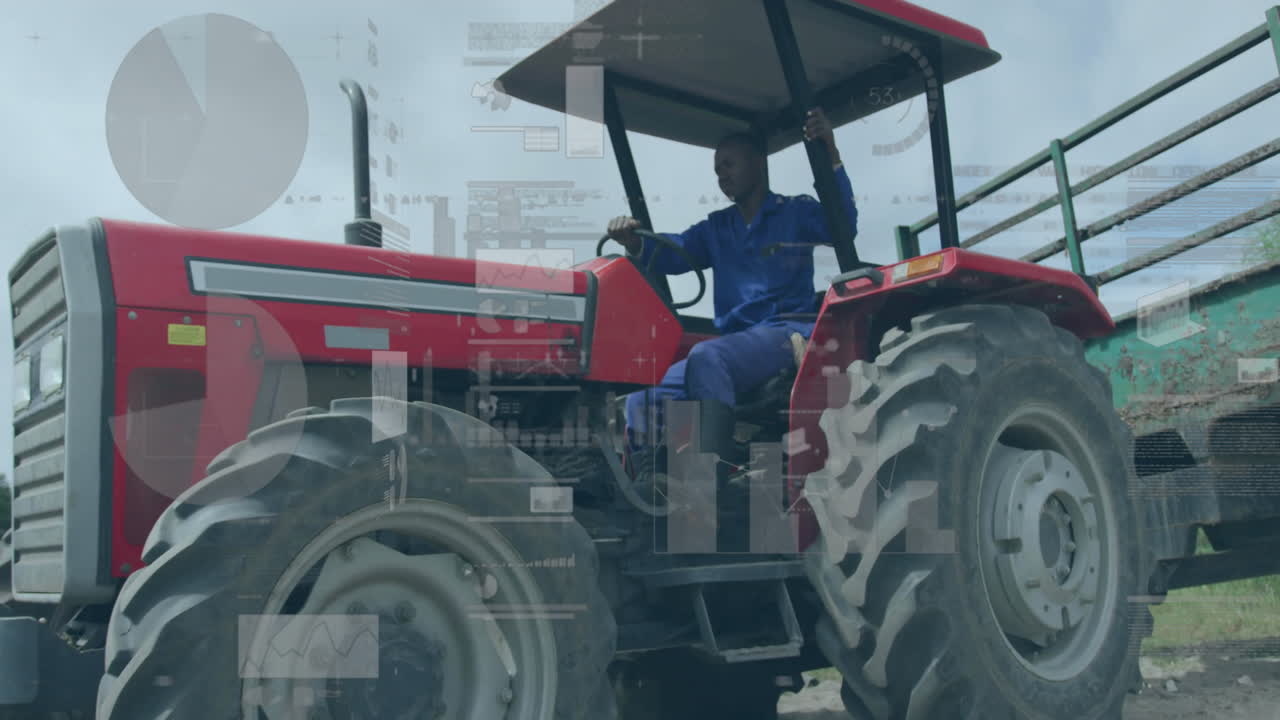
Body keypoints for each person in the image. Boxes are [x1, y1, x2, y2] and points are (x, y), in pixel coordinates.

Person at [606, 107, 858, 553]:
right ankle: (650, 493)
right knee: (641, 402)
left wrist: (831, 154)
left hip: (785, 332)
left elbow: (844, 223)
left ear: (758, 163)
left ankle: (709, 495)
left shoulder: (794, 212)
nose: (721, 176)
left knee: (708, 357)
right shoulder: (716, 228)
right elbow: (673, 253)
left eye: (729, 165)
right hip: (736, 343)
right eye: (717, 169)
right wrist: (636, 241)